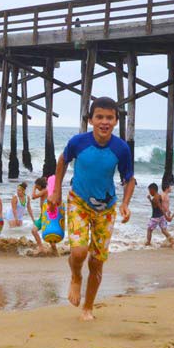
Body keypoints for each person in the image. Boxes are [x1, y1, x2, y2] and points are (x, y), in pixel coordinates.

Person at [49, 96, 135, 321]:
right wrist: (56, 191)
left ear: (116, 121)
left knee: (97, 262)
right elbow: (62, 161)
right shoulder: (78, 142)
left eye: (109, 117)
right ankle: (76, 276)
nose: (104, 122)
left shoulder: (121, 148)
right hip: (78, 202)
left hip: (106, 209)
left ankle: (88, 308)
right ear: (90, 120)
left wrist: (125, 203)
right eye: (99, 117)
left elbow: (129, 178)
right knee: (79, 252)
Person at [30, 177, 55, 253]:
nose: (37, 187)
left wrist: (34, 187)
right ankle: (41, 247)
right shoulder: (44, 190)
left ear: (40, 185)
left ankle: (55, 250)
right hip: (42, 216)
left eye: (37, 186)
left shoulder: (45, 191)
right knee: (34, 231)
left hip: (47, 216)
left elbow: (33, 197)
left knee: (48, 235)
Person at [146, 182, 174, 247]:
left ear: (153, 190)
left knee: (149, 229)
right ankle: (172, 240)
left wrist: (167, 216)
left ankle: (148, 242)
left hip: (156, 217)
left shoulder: (156, 198)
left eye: (150, 191)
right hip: (161, 216)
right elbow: (154, 205)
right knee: (164, 230)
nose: (150, 192)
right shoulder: (159, 196)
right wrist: (150, 199)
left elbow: (160, 207)